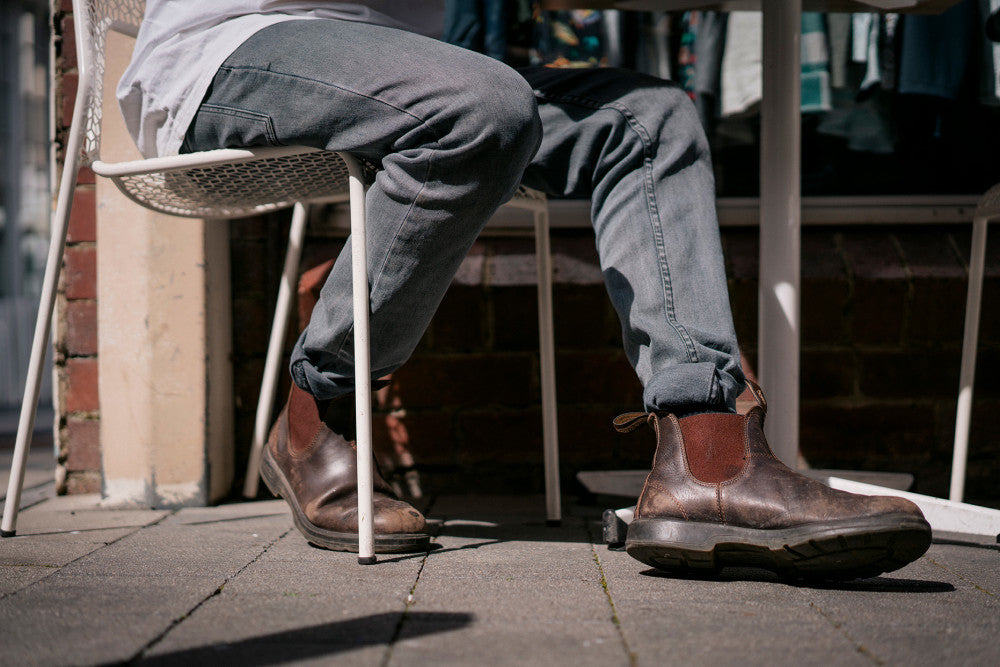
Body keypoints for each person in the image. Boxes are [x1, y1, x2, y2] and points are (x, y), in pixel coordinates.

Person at [118, 1, 931, 579]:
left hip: (409, 60)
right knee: (478, 109)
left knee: (651, 118)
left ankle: (709, 457)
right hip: (230, 46)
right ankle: (314, 412)